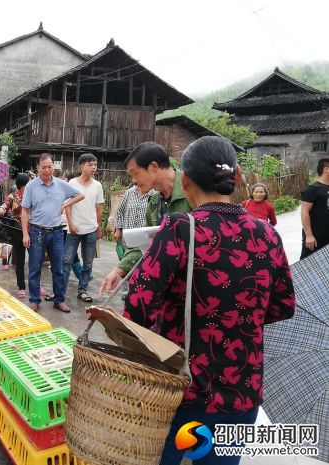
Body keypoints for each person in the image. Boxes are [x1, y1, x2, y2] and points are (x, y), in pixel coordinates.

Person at [122, 136, 295, 465]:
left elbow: (138, 303)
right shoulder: (268, 235)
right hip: (242, 391)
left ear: (184, 179)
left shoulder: (181, 227)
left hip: (183, 389)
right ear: (238, 177)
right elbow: (283, 304)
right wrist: (238, 315)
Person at [99, 142, 192, 296]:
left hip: (190, 285)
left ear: (154, 167)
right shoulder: (155, 201)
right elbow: (143, 242)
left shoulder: (192, 191)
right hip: (166, 284)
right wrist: (118, 270)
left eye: (135, 173)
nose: (134, 181)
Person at [21, 153, 84, 312]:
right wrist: (25, 233)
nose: (48, 170)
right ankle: (34, 300)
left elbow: (80, 195)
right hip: (37, 232)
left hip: (56, 233)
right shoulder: (31, 186)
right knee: (35, 267)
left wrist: (65, 205)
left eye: (50, 167)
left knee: (58, 268)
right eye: (44, 167)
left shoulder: (61, 185)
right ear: (38, 168)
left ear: (53, 167)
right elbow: (25, 211)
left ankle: (59, 300)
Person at [62, 153, 104, 303]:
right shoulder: (72, 183)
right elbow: (67, 206)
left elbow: (98, 208)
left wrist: (99, 228)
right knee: (66, 261)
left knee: (88, 263)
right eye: (90, 164)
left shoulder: (97, 186)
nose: (93, 167)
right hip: (74, 230)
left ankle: (82, 290)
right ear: (81, 166)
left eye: (95, 164)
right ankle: (61, 292)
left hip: (91, 230)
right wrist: (71, 224)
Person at [0, 173, 30, 298]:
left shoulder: (33, 195)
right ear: (22, 184)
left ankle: (36, 286)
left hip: (33, 231)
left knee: (35, 261)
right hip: (18, 232)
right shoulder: (13, 197)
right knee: (20, 261)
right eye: (27, 183)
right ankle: (21, 287)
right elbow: (4, 207)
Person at [113, 184, 157, 252]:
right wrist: (118, 229)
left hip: (145, 240)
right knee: (128, 260)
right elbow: (120, 211)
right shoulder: (129, 193)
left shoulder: (154, 195)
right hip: (128, 237)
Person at [300, 157, 329, 259]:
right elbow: (304, 212)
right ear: (326, 169)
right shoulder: (312, 189)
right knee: (308, 265)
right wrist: (309, 235)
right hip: (315, 237)